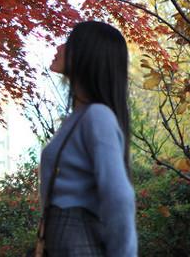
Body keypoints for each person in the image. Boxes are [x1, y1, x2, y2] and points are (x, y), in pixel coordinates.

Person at [39, 21, 137, 256]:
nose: (59, 46)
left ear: (87, 54)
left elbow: (119, 198)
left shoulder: (97, 116)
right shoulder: (78, 117)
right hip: (64, 240)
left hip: (77, 243)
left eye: (70, 42)